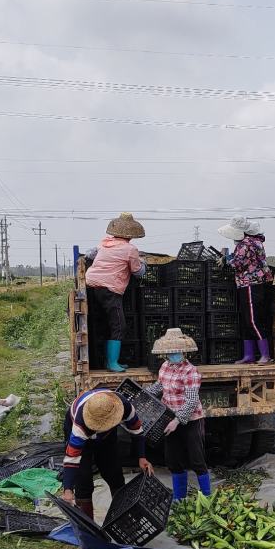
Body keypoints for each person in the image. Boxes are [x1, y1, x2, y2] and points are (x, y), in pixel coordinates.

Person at [61, 387, 153, 520]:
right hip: (81, 434)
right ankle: (88, 526)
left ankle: (122, 519)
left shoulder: (124, 406)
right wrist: (67, 489)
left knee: (114, 473)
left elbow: (137, 431)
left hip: (107, 438)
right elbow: (72, 458)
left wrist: (142, 457)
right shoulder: (80, 425)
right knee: (83, 480)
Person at [148, 328, 211, 501]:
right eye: (171, 352)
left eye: (177, 352)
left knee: (197, 460)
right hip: (170, 418)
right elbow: (159, 386)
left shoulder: (191, 371)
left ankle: (207, 497)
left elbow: (191, 401)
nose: (174, 355)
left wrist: (177, 420)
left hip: (191, 420)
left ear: (183, 352)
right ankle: (179, 498)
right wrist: (144, 393)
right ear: (166, 353)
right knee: (173, 461)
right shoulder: (165, 366)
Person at [85, 212, 147, 372]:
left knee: (108, 323)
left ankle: (110, 361)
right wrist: (144, 263)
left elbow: (89, 254)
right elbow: (137, 271)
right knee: (119, 325)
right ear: (131, 235)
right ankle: (112, 363)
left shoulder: (104, 243)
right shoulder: (130, 249)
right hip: (110, 289)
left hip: (93, 285)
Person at [218, 216, 274, 364]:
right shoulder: (254, 241)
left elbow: (237, 264)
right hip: (247, 284)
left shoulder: (247, 244)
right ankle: (248, 355)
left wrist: (227, 259)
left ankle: (265, 355)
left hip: (251, 284)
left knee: (253, 320)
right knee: (246, 320)